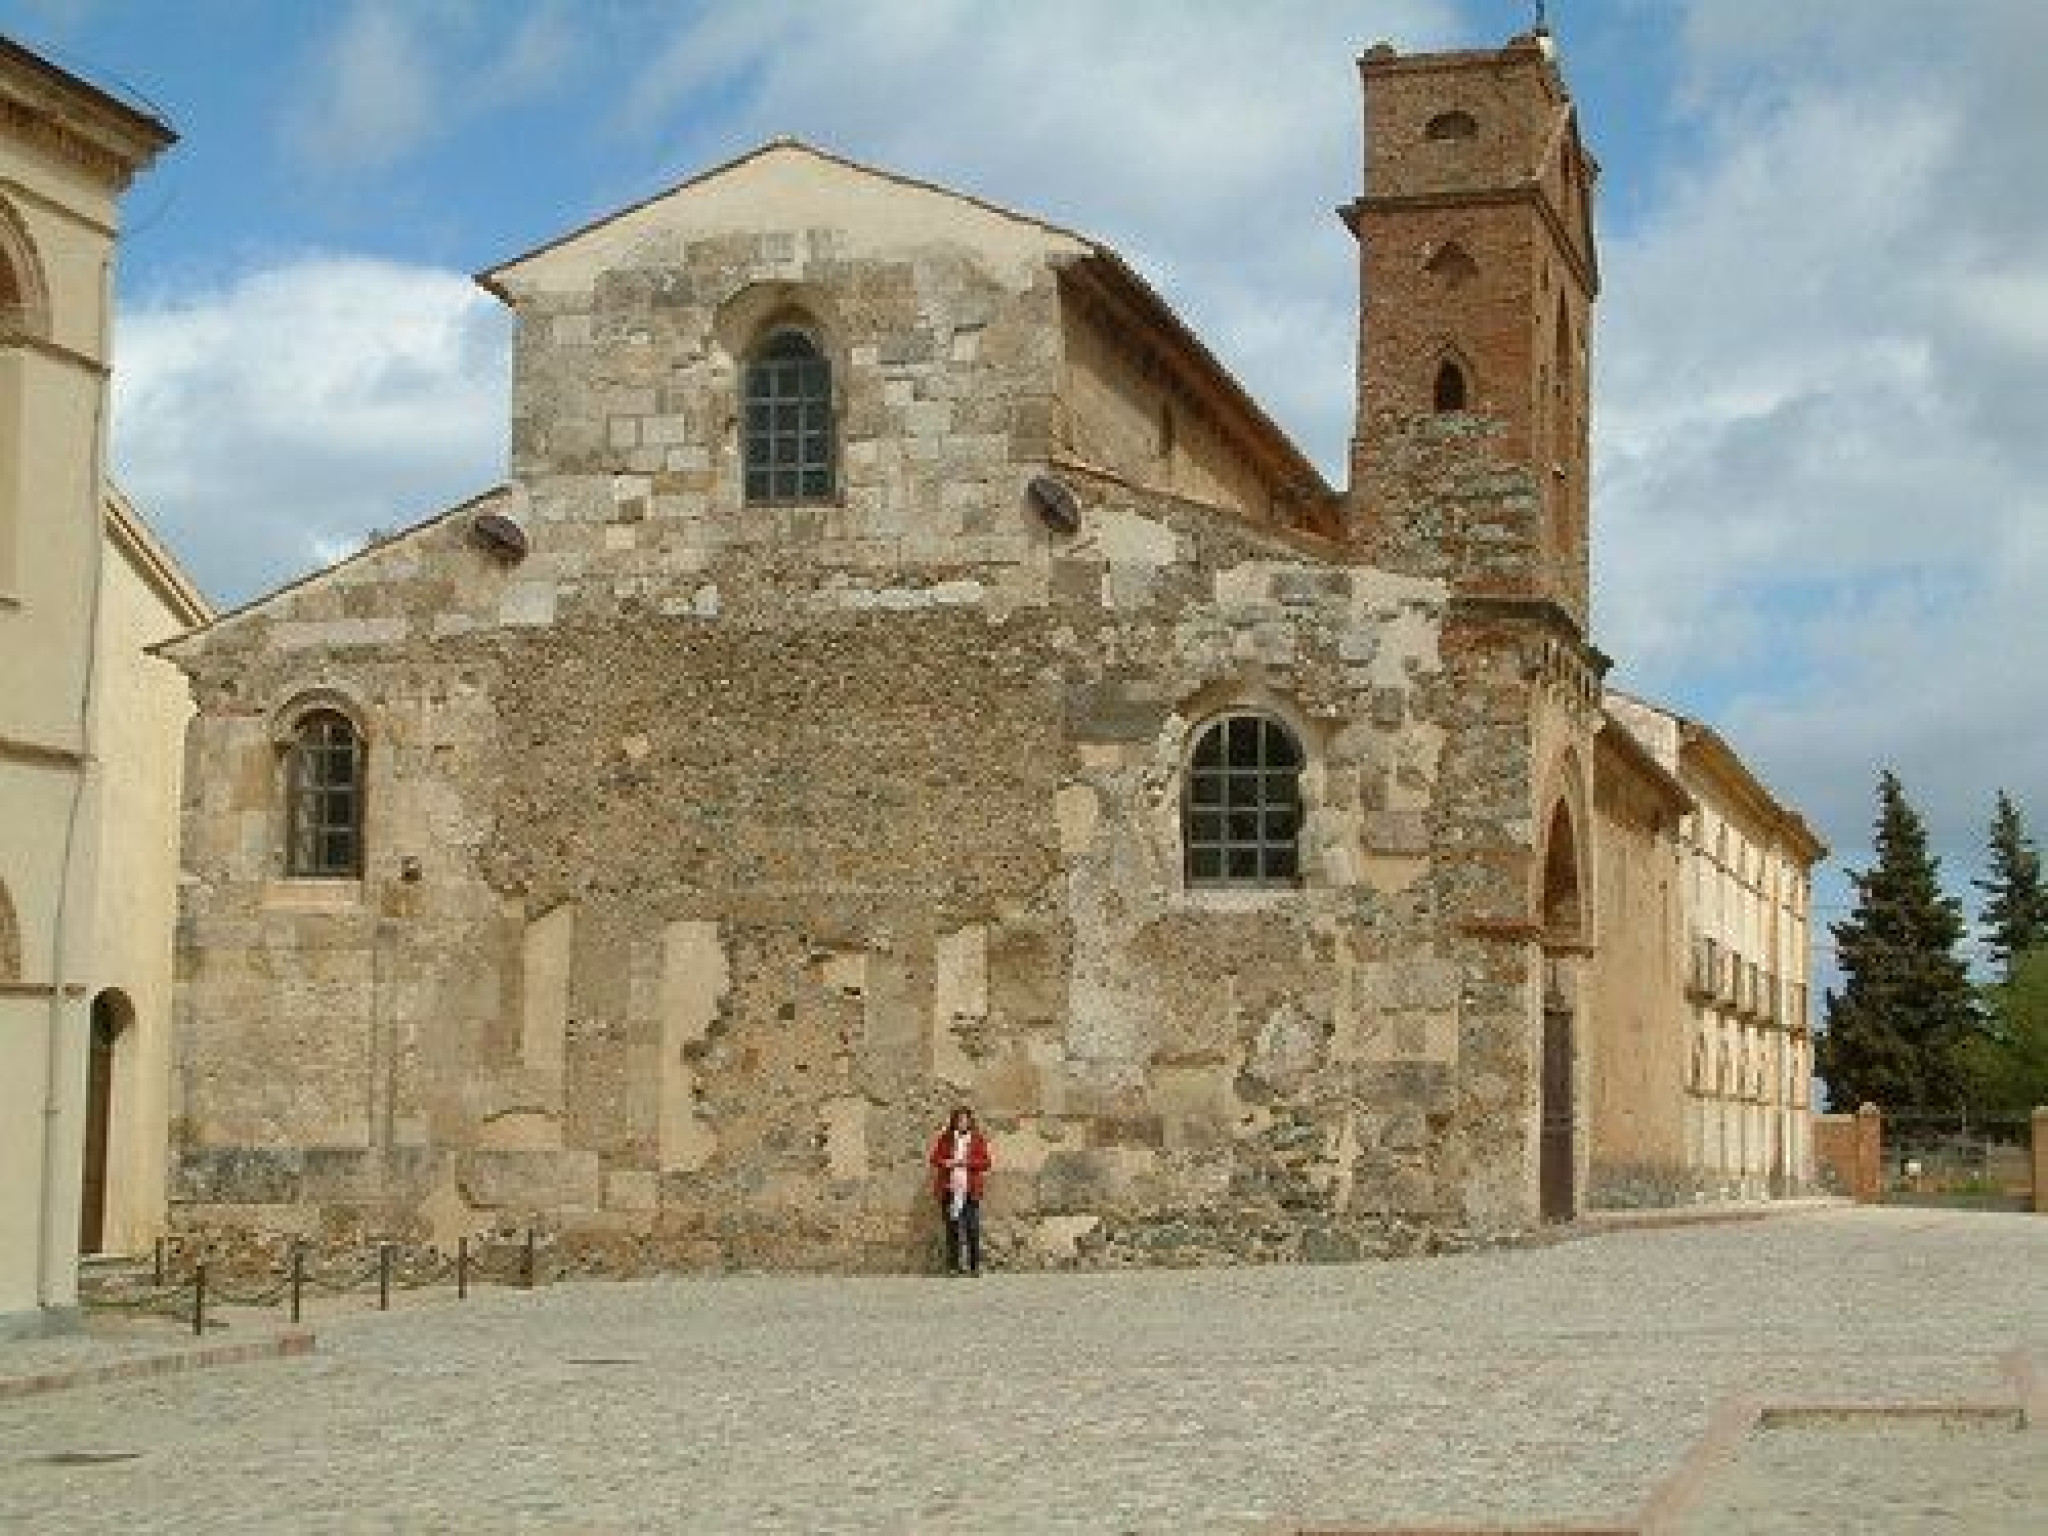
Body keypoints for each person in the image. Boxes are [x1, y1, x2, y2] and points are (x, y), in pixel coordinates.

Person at [927, 1106, 991, 1276]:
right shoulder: (946, 1139)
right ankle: (954, 1266)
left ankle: (974, 1266)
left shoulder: (977, 1139)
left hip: (970, 1190)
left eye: (965, 1120)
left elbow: (985, 1162)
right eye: (959, 1120)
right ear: (954, 1121)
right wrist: (946, 1162)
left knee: (972, 1229)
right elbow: (934, 1158)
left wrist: (966, 1162)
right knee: (952, 1229)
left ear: (970, 1121)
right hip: (950, 1189)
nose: (962, 1123)